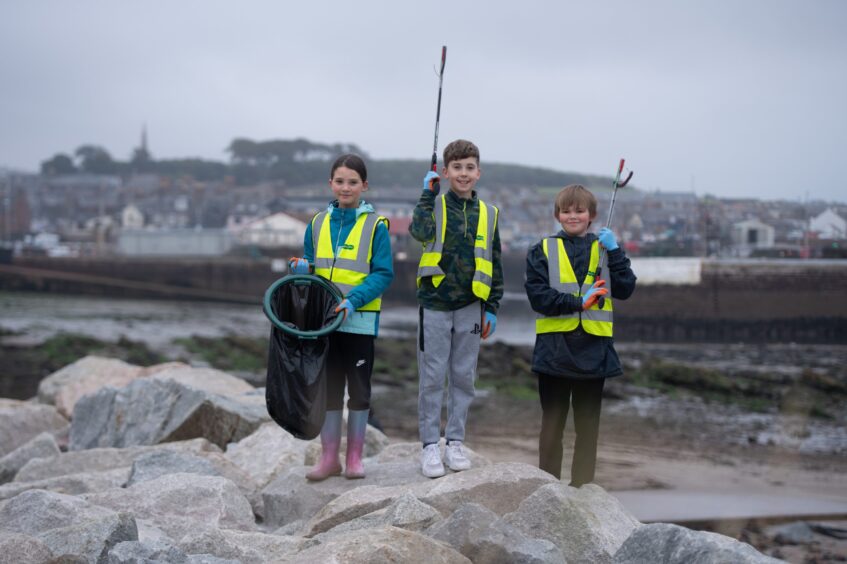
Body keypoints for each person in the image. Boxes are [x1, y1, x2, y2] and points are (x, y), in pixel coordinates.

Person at [288, 154, 393, 481]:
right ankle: (330, 458)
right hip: (325, 323)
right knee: (329, 390)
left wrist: (352, 301)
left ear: (364, 185)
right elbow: (312, 266)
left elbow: (383, 274)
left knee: (359, 391)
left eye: (352, 182)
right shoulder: (317, 223)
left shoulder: (376, 226)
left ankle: (355, 460)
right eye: (339, 181)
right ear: (331, 183)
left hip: (359, 322)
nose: (345, 187)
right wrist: (301, 269)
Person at [524, 184, 636, 486]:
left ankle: (582, 488)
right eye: (566, 211)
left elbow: (625, 288)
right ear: (557, 215)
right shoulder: (541, 250)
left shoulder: (605, 249)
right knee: (552, 426)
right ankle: (548, 488)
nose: (573, 216)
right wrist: (578, 302)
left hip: (594, 350)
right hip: (554, 352)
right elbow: (539, 297)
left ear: (592, 216)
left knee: (588, 428)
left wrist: (615, 251)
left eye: (580, 211)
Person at [410, 139, 504, 478]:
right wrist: (426, 195)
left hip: (471, 306)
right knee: (433, 376)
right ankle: (430, 446)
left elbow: (494, 262)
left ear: (478, 173)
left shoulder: (490, 214)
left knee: (464, 377)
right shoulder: (433, 206)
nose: (463, 174)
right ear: (446, 171)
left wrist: (491, 306)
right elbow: (418, 232)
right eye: (457, 168)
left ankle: (455, 442)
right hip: (435, 302)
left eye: (469, 168)